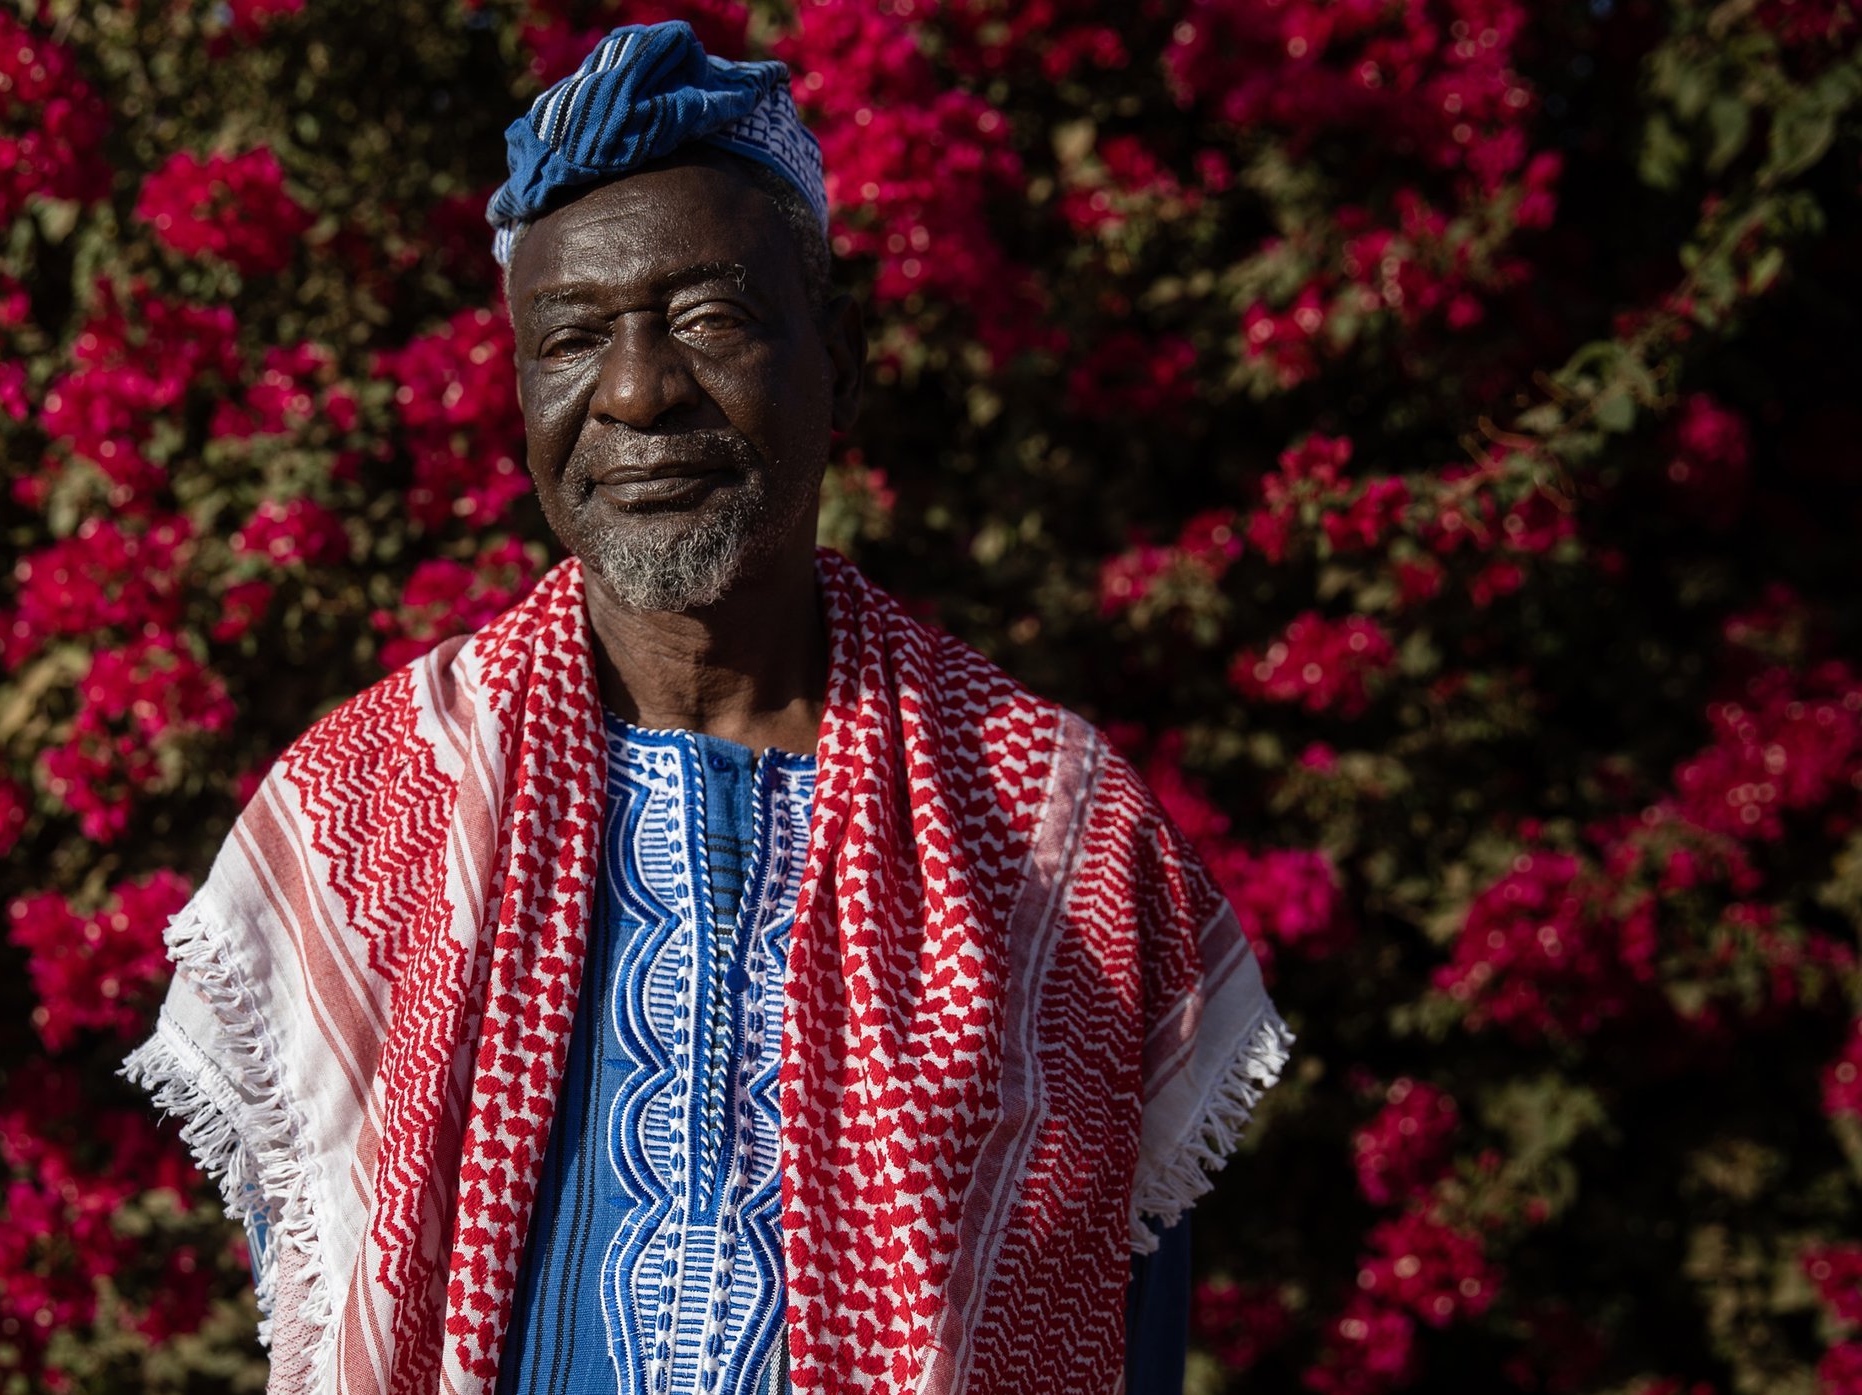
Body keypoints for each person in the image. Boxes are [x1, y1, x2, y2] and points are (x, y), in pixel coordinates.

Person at [123, 22, 1292, 1395]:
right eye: (572, 341)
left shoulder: (1056, 834)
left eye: (709, 320)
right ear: (520, 394)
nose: (635, 393)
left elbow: (1123, 1331)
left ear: (838, 365)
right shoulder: (362, 812)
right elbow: (315, 1290)